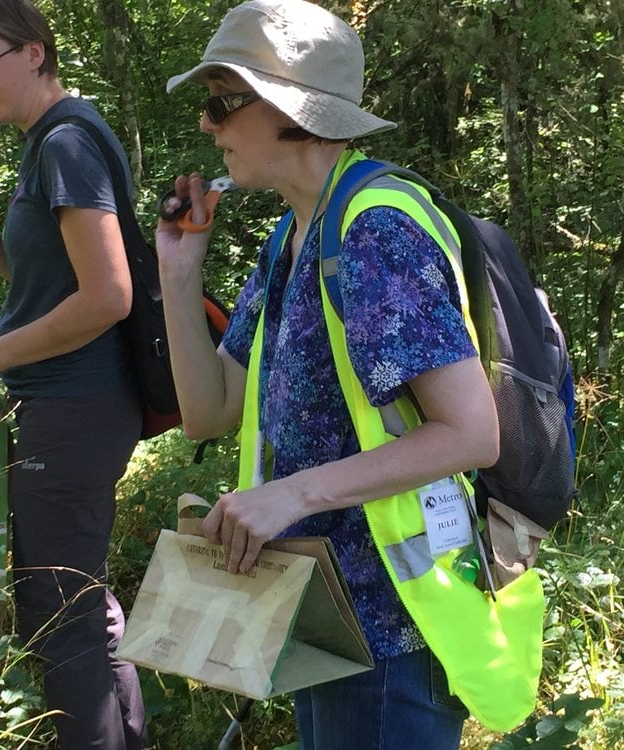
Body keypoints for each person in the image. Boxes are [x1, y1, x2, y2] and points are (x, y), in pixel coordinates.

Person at [155, 1, 501, 748]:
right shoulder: (294, 232)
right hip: (324, 610)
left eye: (222, 102)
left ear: (291, 111)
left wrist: (291, 495)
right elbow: (208, 411)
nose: (208, 126)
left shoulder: (374, 228)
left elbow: (471, 433)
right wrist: (179, 274)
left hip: (394, 625)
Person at [0, 1, 147, 747]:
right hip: (73, 407)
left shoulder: (64, 144)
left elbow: (108, 297)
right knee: (76, 603)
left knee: (55, 616)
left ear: (33, 52)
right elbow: (52, 291)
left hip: (73, 410)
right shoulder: (51, 142)